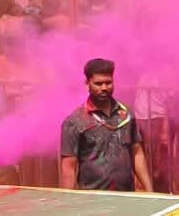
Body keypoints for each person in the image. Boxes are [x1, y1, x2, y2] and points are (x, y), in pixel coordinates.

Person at [60, 58, 153, 192]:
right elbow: (69, 167)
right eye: (98, 83)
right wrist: (68, 203)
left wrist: (149, 190)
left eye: (108, 82)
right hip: (93, 199)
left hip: (126, 197)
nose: (104, 88)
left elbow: (137, 153)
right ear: (87, 83)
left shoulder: (126, 115)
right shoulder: (74, 122)